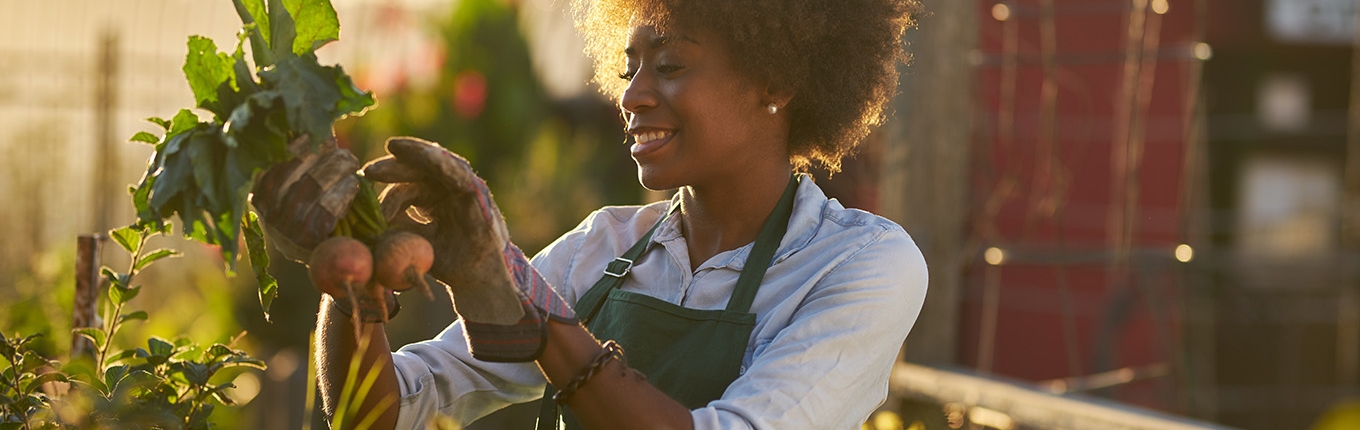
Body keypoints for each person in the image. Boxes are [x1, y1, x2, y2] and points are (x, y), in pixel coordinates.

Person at [251, 0, 927, 428]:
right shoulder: (603, 247)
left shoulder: (860, 266)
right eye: (629, 66)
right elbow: (385, 411)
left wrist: (532, 313)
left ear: (776, 79)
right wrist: (355, 283)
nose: (633, 95)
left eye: (669, 65)